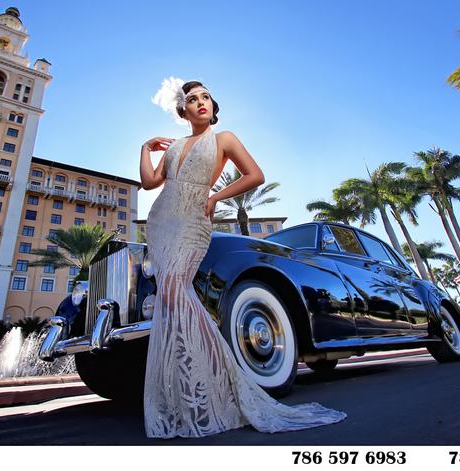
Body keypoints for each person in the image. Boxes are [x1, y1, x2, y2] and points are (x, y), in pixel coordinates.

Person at [138, 78, 346, 439]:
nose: (201, 102)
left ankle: (222, 379)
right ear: (183, 110)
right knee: (171, 303)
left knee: (174, 294)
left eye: (206, 97)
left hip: (192, 220)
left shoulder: (224, 139)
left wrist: (217, 198)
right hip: (161, 221)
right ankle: (190, 390)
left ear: (212, 106)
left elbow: (255, 176)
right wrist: (145, 147)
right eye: (192, 99)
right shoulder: (174, 147)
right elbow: (149, 182)